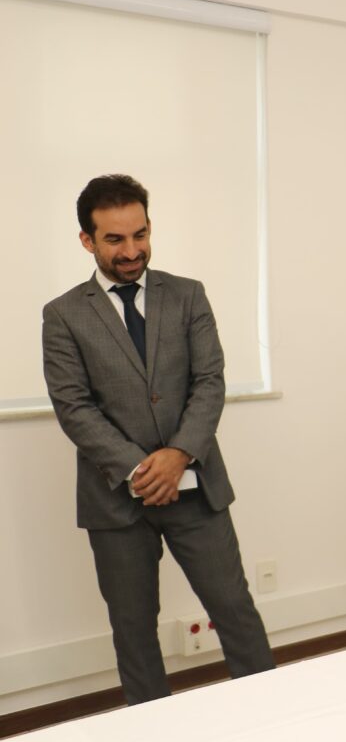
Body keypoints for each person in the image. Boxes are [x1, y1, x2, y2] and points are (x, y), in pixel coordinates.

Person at [42, 174, 274, 704]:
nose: (132, 250)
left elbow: (209, 381)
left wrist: (178, 456)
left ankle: (273, 716)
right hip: (116, 501)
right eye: (115, 240)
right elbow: (74, 408)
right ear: (87, 240)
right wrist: (144, 471)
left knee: (235, 612)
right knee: (134, 631)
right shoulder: (62, 315)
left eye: (140, 234)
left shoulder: (188, 295)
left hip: (198, 488)